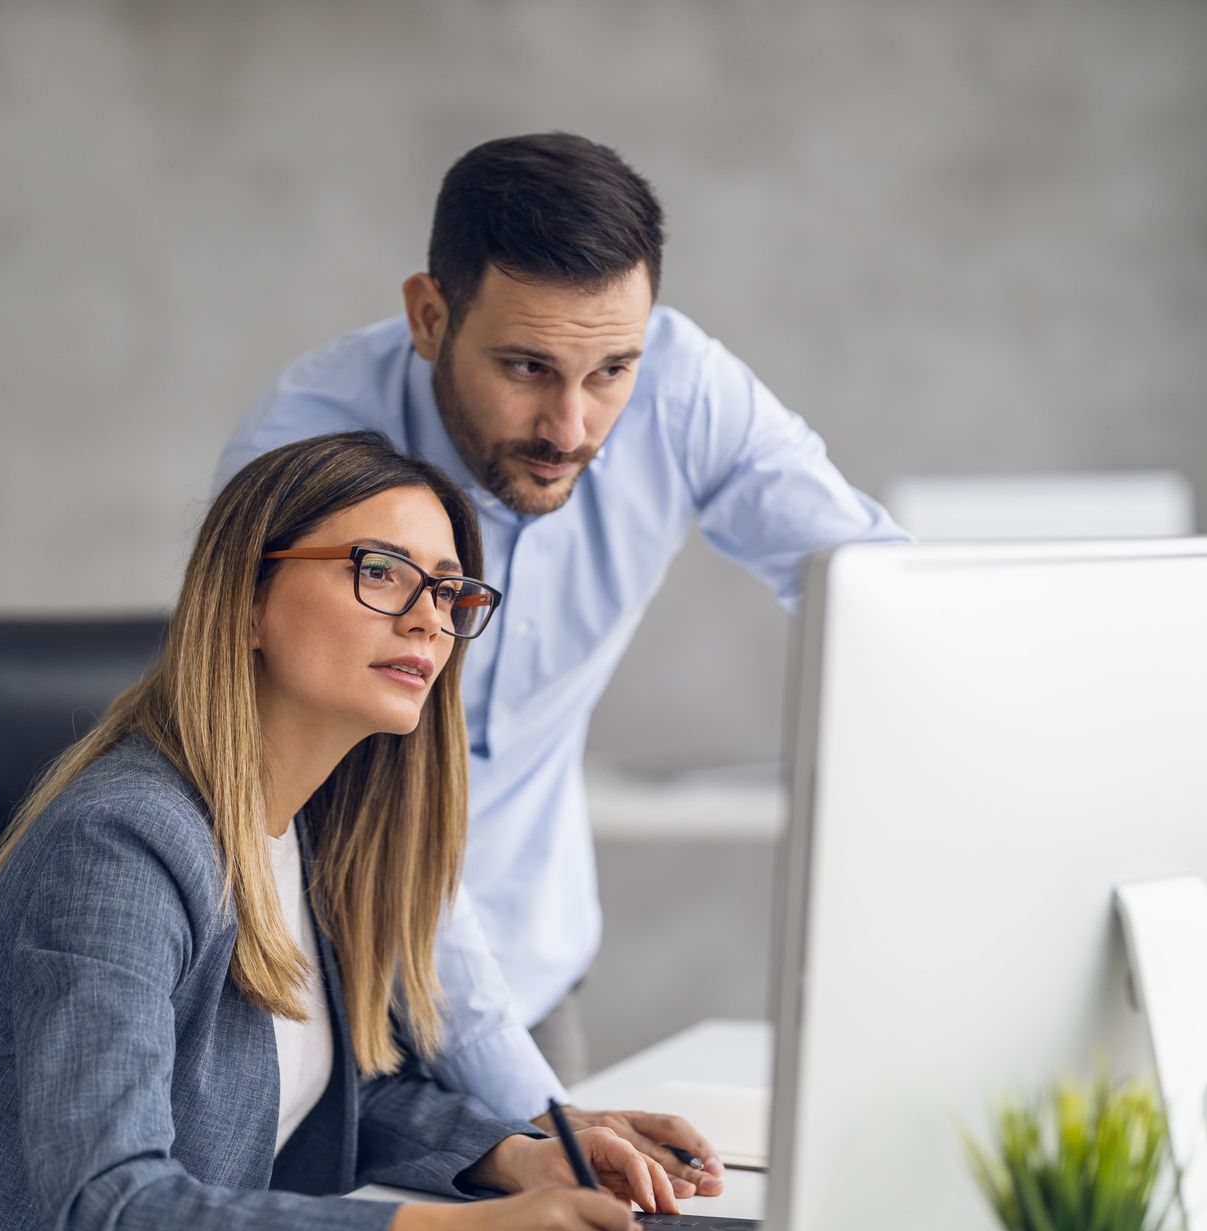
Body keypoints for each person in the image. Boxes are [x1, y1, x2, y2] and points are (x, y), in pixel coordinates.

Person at [0, 431, 683, 1231]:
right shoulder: (123, 846)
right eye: (381, 571)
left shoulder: (314, 832)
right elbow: (109, 1214)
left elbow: (310, 1104)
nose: (428, 620)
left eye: (451, 593)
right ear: (250, 600)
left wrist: (513, 1159)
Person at [218, 132, 907, 1170]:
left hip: (525, 972)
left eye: (610, 370)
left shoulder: (681, 388)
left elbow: (878, 595)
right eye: (526, 367)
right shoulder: (310, 454)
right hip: (308, 980)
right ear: (429, 316)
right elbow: (373, 811)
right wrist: (549, 1118)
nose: (571, 424)